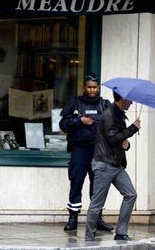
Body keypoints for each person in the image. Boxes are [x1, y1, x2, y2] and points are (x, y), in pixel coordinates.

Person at [59, 73, 112, 232]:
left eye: (95, 87)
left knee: (97, 186)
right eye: (89, 87)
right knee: (76, 182)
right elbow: (63, 125)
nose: (92, 90)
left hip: (99, 151)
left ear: (98, 88)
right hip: (80, 150)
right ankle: (73, 218)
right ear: (84, 87)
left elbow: (115, 124)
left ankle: (97, 219)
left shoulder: (104, 105)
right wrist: (79, 121)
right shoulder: (74, 103)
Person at [85, 91, 141, 241]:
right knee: (97, 204)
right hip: (104, 164)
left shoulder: (119, 114)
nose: (132, 103)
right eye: (130, 99)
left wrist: (126, 144)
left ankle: (121, 233)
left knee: (131, 194)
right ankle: (89, 239)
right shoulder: (110, 114)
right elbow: (112, 139)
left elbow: (119, 140)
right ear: (122, 99)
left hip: (116, 164)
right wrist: (133, 129)